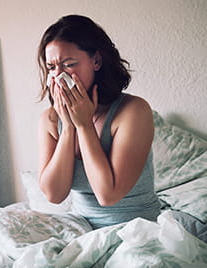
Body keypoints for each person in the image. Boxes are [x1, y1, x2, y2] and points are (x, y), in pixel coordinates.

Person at [37, 15, 160, 229]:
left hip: (134, 230)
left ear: (96, 61)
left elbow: (107, 195)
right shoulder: (50, 119)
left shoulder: (133, 111)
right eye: (51, 67)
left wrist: (84, 126)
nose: (58, 76)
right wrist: (68, 128)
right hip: (81, 230)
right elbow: (54, 195)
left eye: (68, 65)